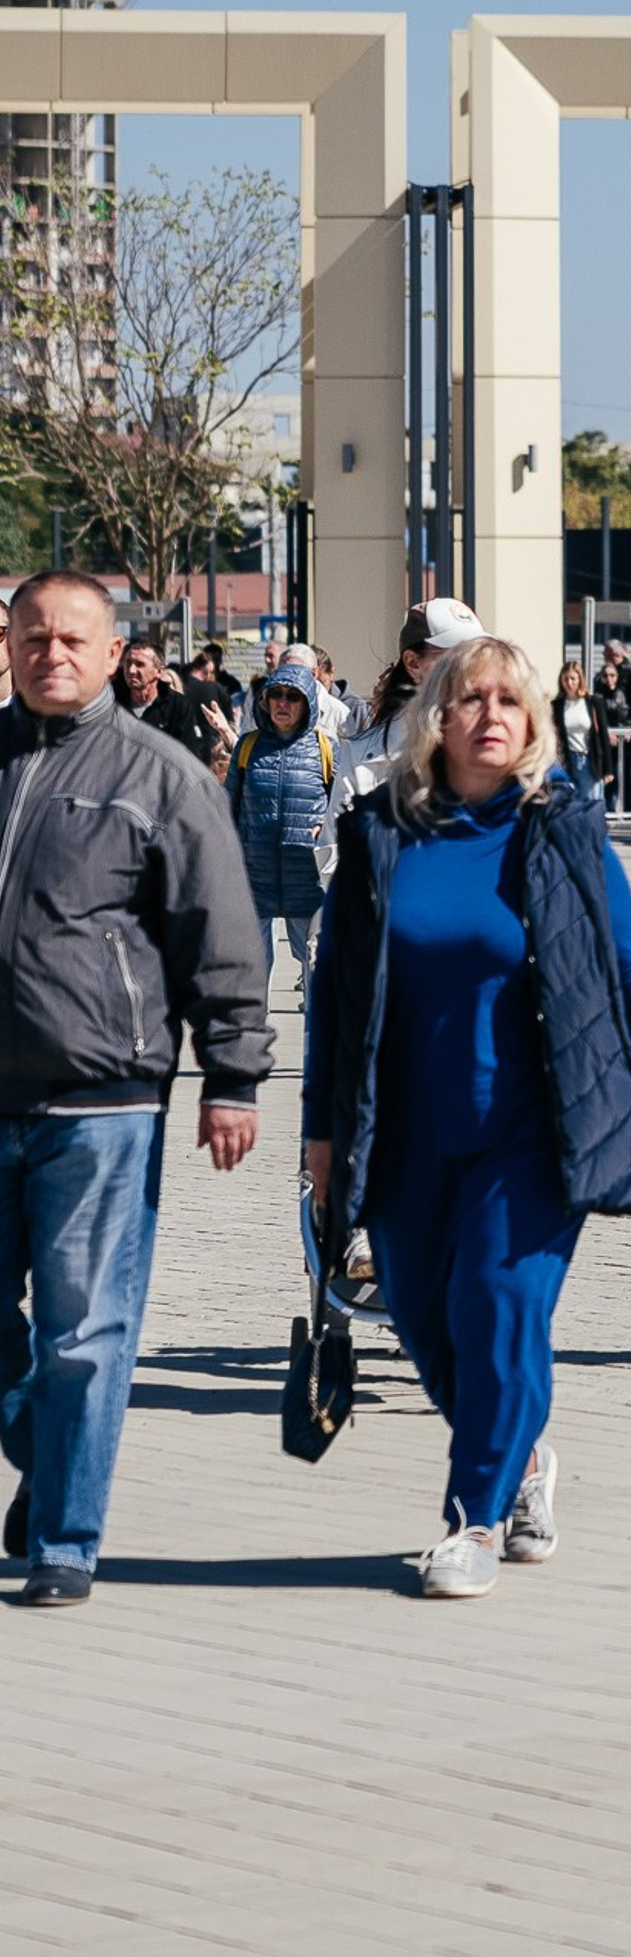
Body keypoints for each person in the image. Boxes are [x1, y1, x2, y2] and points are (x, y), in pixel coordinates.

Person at [304, 634, 631, 1598]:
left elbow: (626, 973)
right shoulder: (382, 834)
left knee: (498, 1310)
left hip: (537, 1127)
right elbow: (336, 996)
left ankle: (475, 1520)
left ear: (533, 722)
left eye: (509, 701)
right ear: (437, 718)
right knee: (422, 1323)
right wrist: (320, 1137)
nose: (490, 715)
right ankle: (527, 1456)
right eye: (470, 699)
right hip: (407, 1130)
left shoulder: (562, 828)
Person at [0, 572, 271, 1607]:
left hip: (101, 1100)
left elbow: (220, 932)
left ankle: (66, 1539)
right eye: (33, 636)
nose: (51, 654)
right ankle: (52, 1455)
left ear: (116, 653)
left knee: (84, 1330)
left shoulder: (161, 776)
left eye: (73, 638)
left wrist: (233, 1074)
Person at [227, 657, 346, 1003]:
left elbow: (341, 804)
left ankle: (316, 1052)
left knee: (315, 973)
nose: (282, 703)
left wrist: (328, 827)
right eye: (275, 695)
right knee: (250, 979)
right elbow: (228, 808)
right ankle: (249, 1053)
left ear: (308, 702)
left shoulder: (326, 749)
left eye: (292, 697)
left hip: (305, 880)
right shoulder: (247, 746)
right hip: (255, 878)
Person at [344, 599, 488, 796]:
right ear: (412, 663)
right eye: (455, 655)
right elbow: (339, 826)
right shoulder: (360, 756)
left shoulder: (494, 740)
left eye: (477, 654)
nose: (469, 667)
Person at [116, 637, 224, 768]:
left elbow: (190, 755)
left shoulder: (177, 706)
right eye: (128, 663)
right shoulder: (111, 703)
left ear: (159, 672)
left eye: (140, 664)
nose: (131, 670)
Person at [551, 660, 614, 805]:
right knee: (570, 805)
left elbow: (603, 736)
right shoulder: (557, 705)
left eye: (573, 678)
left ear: (580, 679)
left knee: (591, 805)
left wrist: (608, 769)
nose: (569, 682)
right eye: (565, 678)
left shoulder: (593, 702)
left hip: (588, 759)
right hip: (566, 760)